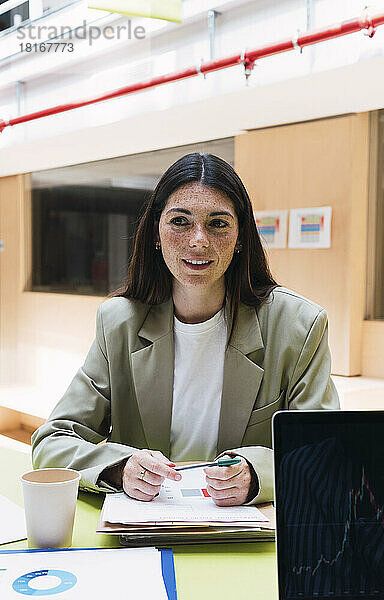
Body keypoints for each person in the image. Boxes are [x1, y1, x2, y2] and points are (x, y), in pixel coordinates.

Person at [32, 152, 339, 506]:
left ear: (240, 236)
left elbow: (324, 451)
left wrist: (258, 475)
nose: (198, 240)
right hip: (143, 528)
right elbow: (51, 441)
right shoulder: (118, 323)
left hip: (247, 533)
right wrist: (119, 468)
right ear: (156, 234)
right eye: (180, 221)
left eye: (218, 224)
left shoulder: (298, 327)